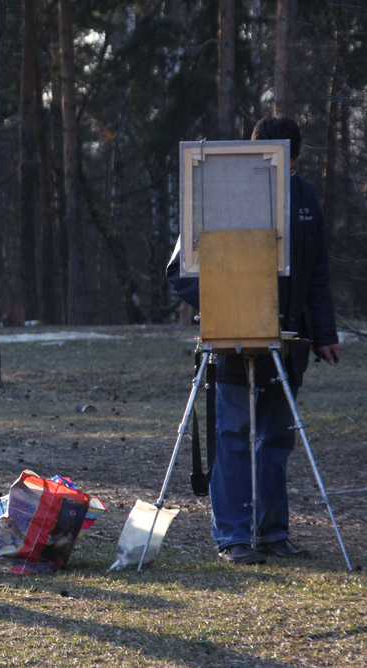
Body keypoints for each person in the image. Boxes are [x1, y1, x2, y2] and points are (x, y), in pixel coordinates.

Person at [167, 116, 341, 565]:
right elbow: (179, 271)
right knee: (232, 435)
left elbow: (317, 271)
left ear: (294, 157)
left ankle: (273, 533)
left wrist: (325, 334)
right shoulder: (220, 189)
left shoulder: (303, 197)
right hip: (231, 338)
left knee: (277, 438)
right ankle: (233, 537)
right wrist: (223, 300)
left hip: (290, 339)